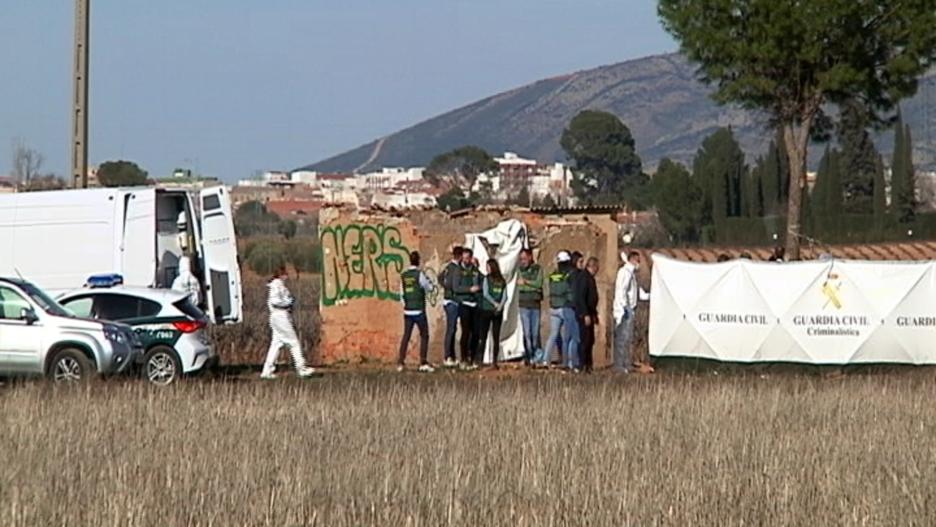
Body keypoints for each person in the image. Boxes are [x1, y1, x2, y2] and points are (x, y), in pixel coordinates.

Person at [261, 266, 315, 379]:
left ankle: (267, 370)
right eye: (286, 274)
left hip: (277, 317)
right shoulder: (277, 285)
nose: (287, 276)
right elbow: (275, 301)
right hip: (281, 316)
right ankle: (301, 368)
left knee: (276, 344)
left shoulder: (277, 285)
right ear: (281, 274)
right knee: (293, 342)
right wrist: (288, 302)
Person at [397, 251, 436, 372]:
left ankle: (400, 362)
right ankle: (423, 362)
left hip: (408, 311)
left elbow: (402, 294)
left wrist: (406, 305)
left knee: (406, 336)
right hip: (419, 310)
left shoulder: (404, 276)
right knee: (424, 335)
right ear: (418, 261)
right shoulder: (419, 274)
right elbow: (428, 287)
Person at [541, 251, 579, 370]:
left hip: (553, 307)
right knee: (569, 337)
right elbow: (568, 290)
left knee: (553, 334)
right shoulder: (569, 275)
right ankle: (568, 362)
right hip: (565, 307)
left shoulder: (553, 275)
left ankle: (545, 359)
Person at [612, 251, 649, 374]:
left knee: (628, 338)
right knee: (622, 338)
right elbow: (621, 292)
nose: (639, 264)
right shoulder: (625, 273)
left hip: (630, 309)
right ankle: (620, 365)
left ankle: (626, 364)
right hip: (625, 310)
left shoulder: (632, 274)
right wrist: (624, 309)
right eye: (638, 261)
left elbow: (638, 294)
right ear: (632, 260)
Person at [454, 247, 481, 369]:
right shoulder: (458, 271)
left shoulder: (475, 270)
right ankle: (463, 358)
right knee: (465, 332)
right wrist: (469, 290)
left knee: (476, 332)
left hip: (474, 304)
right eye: (464, 258)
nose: (465, 260)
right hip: (464, 304)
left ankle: (473, 357)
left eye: (467, 258)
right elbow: (456, 288)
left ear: (471, 258)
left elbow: (482, 280)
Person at [477, 259, 507, 368]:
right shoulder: (487, 279)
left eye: (488, 267)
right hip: (489, 309)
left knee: (495, 336)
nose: (487, 269)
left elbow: (505, 295)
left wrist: (499, 305)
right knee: (484, 336)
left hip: (494, 311)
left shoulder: (501, 280)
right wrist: (497, 304)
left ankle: (494, 360)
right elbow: (485, 293)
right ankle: (481, 359)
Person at [516, 248, 543, 366]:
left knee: (535, 333)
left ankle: (536, 356)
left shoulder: (538, 269)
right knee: (527, 333)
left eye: (525, 258)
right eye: (521, 259)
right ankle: (529, 356)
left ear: (530, 257)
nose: (523, 261)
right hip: (523, 304)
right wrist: (532, 286)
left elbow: (538, 283)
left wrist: (526, 282)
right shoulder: (519, 270)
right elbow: (520, 287)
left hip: (535, 304)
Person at [439, 246, 464, 367]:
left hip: (447, 300)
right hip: (453, 302)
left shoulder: (448, 267)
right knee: (451, 329)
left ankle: (452, 356)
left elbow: (440, 277)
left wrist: (445, 287)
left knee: (452, 329)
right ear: (459, 256)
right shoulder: (456, 269)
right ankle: (447, 356)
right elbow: (455, 286)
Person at [575, 257, 600, 373]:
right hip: (584, 314)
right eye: (597, 267)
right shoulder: (584, 278)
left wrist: (594, 314)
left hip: (590, 312)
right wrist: (585, 314)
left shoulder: (590, 278)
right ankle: (582, 365)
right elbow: (581, 298)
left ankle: (589, 365)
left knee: (590, 340)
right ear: (593, 266)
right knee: (584, 340)